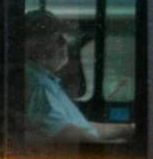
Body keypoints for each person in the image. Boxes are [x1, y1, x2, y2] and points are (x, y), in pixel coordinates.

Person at [23, 10, 123, 144]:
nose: (65, 44)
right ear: (34, 44)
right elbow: (64, 133)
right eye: (58, 39)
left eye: (64, 38)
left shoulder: (46, 80)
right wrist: (111, 148)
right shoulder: (37, 84)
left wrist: (125, 129)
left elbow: (81, 127)